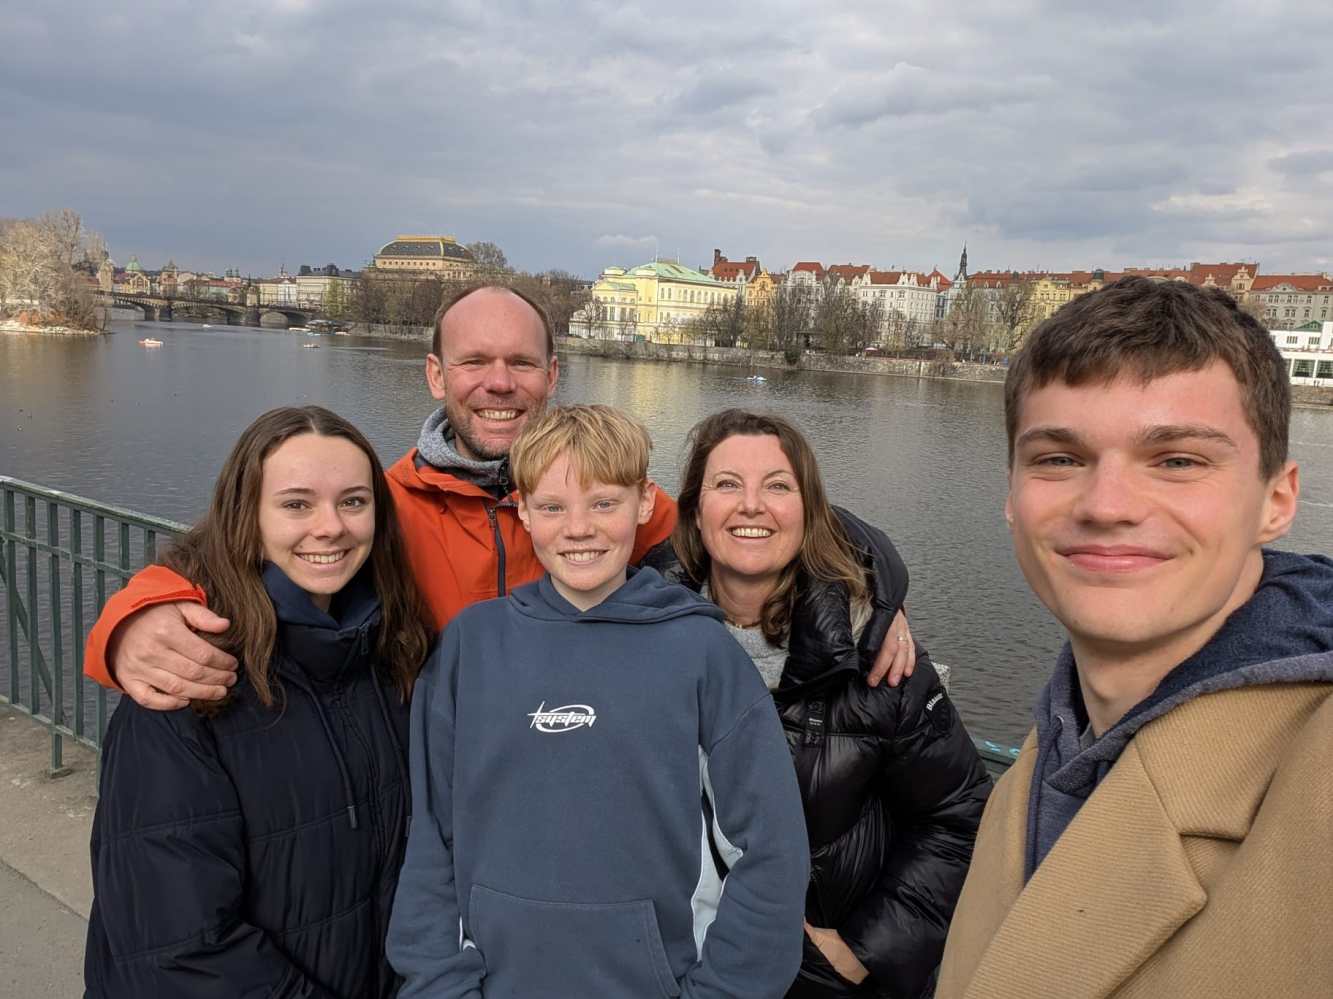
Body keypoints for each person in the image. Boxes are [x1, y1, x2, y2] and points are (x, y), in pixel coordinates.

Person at [82, 284, 917, 709]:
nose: (498, 384)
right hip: (429, 798)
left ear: (552, 377)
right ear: (437, 375)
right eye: (474, 363)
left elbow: (758, 515)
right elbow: (219, 552)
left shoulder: (609, 499)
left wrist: (878, 591)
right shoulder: (381, 497)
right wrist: (131, 624)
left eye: (520, 363)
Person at [936, 276, 1333, 998]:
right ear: (1010, 495)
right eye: (1057, 458)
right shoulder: (1053, 743)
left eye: (1177, 459)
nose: (1106, 505)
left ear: (1276, 500)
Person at [387, 405, 810, 998]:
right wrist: (437, 984)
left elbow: (771, 854)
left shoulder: (702, 653)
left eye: (604, 504)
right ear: (524, 511)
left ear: (644, 503)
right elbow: (431, 835)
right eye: (554, 507)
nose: (579, 528)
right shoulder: (471, 645)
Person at [83, 406, 432, 998]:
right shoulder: (187, 680)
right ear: (249, 516)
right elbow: (177, 950)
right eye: (296, 504)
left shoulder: (388, 655)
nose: (330, 527)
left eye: (353, 501)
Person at [655, 409, 992, 999]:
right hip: (674, 964)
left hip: (809, 976)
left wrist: (864, 950)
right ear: (695, 509)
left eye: (778, 486)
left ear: (809, 512)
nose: (751, 506)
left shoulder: (877, 657)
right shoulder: (640, 633)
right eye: (727, 484)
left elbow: (958, 816)